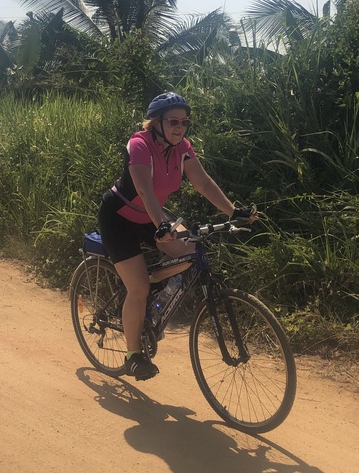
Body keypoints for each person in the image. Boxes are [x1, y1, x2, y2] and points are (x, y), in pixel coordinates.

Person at [98, 92, 256, 381]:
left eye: (185, 122)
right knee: (138, 287)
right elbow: (144, 190)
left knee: (190, 250)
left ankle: (152, 296)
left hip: (151, 216)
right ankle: (133, 355)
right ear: (156, 122)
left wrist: (233, 212)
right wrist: (161, 226)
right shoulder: (139, 144)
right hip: (119, 217)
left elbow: (203, 183)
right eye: (174, 121)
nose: (180, 127)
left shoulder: (182, 147)